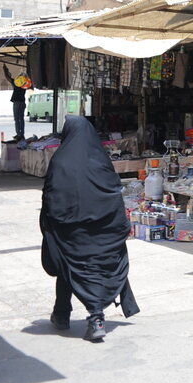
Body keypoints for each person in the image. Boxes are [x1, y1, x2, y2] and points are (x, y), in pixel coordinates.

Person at [40, 115, 140, 342]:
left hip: (71, 233)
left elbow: (50, 196)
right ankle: (80, 315)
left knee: (69, 266)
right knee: (95, 269)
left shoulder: (61, 160)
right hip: (103, 233)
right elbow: (114, 194)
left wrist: (52, 224)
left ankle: (74, 316)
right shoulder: (100, 160)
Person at [2, 64, 27, 140]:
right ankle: (21, 134)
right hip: (22, 103)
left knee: (17, 119)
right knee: (21, 119)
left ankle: (18, 134)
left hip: (16, 103)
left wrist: (5, 70)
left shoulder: (16, 83)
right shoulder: (25, 85)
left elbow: (8, 77)